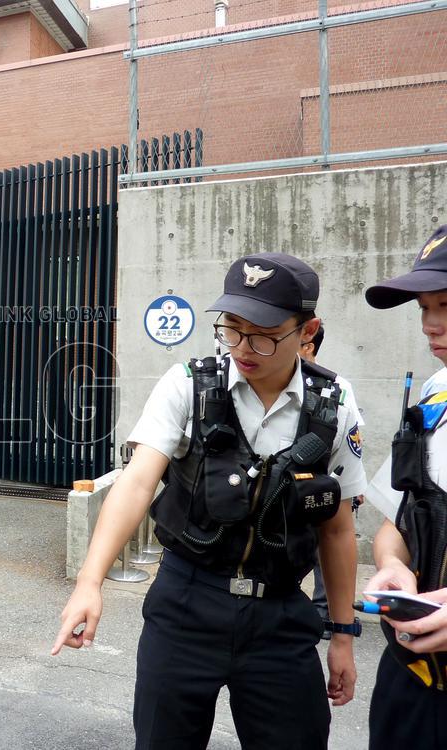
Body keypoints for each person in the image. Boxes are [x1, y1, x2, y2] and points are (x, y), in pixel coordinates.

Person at [52, 253, 366, 749]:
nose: (243, 347)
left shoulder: (334, 403)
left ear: (308, 330)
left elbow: (338, 526)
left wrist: (342, 634)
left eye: (264, 335)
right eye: (232, 329)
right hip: (185, 605)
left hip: (281, 615)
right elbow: (137, 483)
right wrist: (89, 583)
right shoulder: (188, 385)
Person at [362, 225, 447, 748]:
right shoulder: (435, 395)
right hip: (410, 681)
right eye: (424, 307)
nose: (431, 325)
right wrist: (392, 565)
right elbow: (397, 521)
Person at [300, 324, 366, 626]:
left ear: (308, 345)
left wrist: (355, 485)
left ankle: (325, 612)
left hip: (330, 483)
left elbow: (353, 438)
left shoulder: (337, 386)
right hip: (299, 486)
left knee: (327, 545)